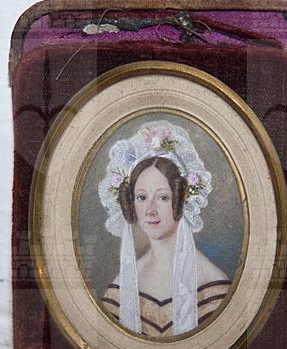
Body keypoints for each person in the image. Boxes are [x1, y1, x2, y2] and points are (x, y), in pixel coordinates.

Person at [98, 121, 230, 337]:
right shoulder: (122, 284)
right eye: (142, 197)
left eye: (163, 197)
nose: (150, 210)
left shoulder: (211, 283)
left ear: (181, 200)